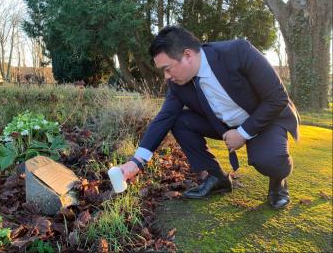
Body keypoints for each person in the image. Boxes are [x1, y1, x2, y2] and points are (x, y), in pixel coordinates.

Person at [120, 25, 300, 210]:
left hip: (266, 118)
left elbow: (277, 99)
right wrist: (137, 161)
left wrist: (243, 133)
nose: (166, 76)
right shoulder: (178, 84)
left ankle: (278, 184)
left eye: (167, 69)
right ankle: (218, 178)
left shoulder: (239, 51)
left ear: (188, 55)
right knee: (180, 121)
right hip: (223, 124)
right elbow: (165, 117)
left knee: (270, 161)